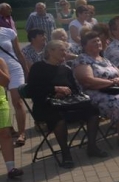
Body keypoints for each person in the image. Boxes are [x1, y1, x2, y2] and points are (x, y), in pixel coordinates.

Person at [27, 40, 107, 168]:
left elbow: (74, 89)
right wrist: (54, 90)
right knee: (58, 118)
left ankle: (92, 147)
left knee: (93, 110)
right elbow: (32, 90)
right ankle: (65, 154)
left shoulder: (66, 69)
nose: (65, 53)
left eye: (65, 50)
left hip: (66, 103)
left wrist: (67, 93)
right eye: (61, 50)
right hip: (45, 104)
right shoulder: (38, 68)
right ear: (50, 51)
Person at [0, 25, 28, 147]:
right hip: (0, 72)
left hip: (14, 68)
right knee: (2, 102)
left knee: (17, 101)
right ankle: (8, 129)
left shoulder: (9, 32)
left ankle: (22, 133)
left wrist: (26, 70)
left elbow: (18, 52)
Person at [0, 58, 19, 178]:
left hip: (0, 102)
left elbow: (5, 81)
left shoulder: (0, 61)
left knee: (5, 134)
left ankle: (11, 169)